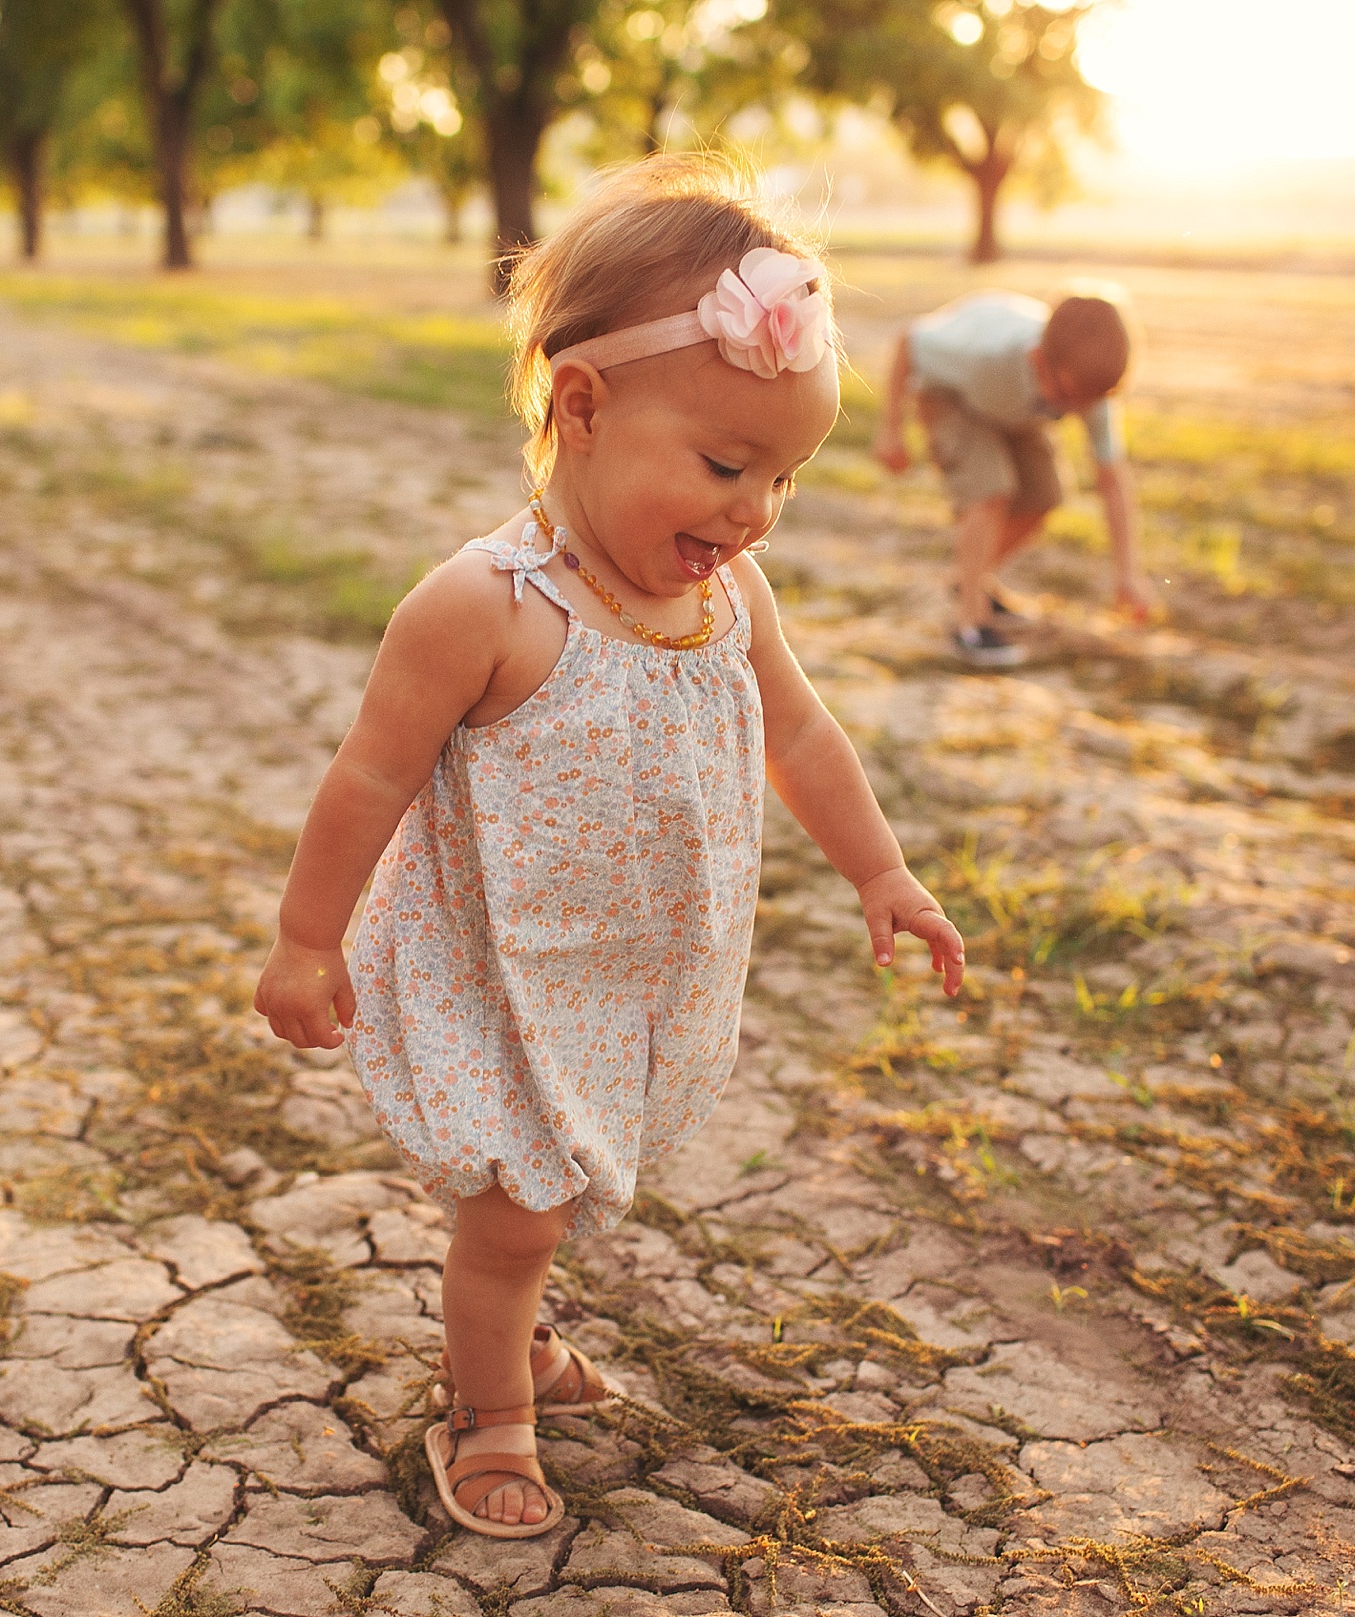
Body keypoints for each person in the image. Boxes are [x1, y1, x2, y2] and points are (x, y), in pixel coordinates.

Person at [252, 155, 966, 1540]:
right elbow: (368, 778)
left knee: (557, 1199)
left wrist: (881, 868)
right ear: (579, 408)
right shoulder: (485, 607)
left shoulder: (726, 594)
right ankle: (489, 1408)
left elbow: (802, 737)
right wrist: (303, 935)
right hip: (501, 976)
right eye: (722, 464)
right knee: (516, 1218)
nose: (753, 510)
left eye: (782, 477)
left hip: (633, 978)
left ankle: (507, 1342)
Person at [872, 285, 1153, 669]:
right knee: (990, 493)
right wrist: (891, 429)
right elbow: (909, 340)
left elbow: (1112, 479)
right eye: (1071, 396)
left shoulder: (1085, 387)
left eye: (1091, 402)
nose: (1080, 411)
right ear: (1038, 360)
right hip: (951, 396)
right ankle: (969, 622)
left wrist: (1128, 574)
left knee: (1045, 495)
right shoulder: (987, 355)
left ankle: (968, 582)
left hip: (1015, 409)